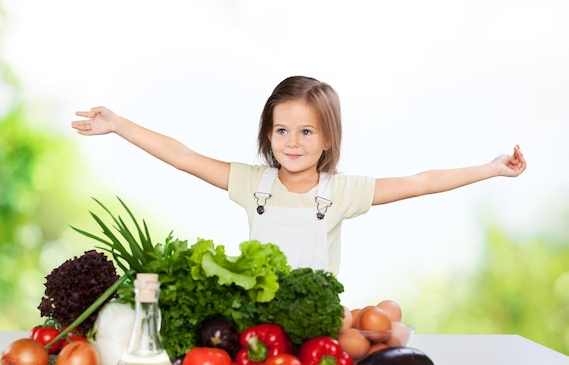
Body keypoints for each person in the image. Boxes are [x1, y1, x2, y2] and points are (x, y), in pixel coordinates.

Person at [72, 76, 526, 275]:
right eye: (282, 130)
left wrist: (491, 168)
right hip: (257, 324)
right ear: (268, 135)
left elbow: (422, 180)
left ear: (329, 139)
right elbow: (185, 156)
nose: (293, 142)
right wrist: (119, 125)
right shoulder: (253, 184)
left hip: (314, 327)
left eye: (307, 131)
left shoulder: (342, 191)